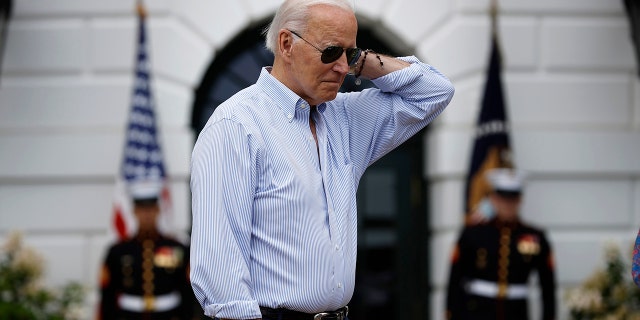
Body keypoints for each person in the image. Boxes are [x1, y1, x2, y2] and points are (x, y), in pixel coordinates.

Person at [189, 0, 455, 319]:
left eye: (350, 54)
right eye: (330, 52)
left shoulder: (344, 117)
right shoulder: (236, 126)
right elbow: (220, 273)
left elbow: (434, 92)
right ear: (286, 44)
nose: (343, 67)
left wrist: (362, 61)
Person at [445, 168, 556, 320]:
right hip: (477, 312)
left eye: (512, 199)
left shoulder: (534, 236)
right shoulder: (473, 233)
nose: (507, 205)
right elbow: (455, 279)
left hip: (516, 312)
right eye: (503, 199)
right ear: (493, 199)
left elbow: (547, 286)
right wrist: (451, 314)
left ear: (520, 200)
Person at [98, 181, 196, 320]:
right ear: (134, 212)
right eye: (142, 210)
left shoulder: (176, 247)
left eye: (151, 209)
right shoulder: (118, 250)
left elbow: (187, 290)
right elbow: (108, 293)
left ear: (158, 210)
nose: (147, 215)